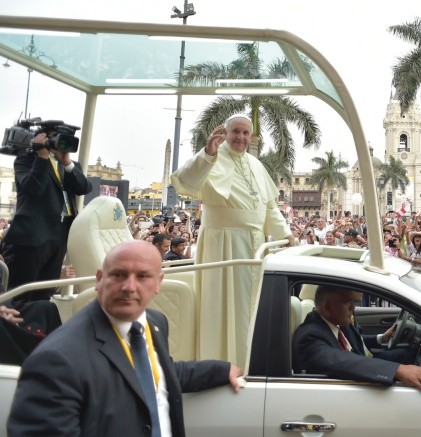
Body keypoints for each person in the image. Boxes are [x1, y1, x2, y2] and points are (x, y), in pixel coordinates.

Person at [7, 241, 242, 436]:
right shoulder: (56, 361)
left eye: (142, 276)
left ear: (158, 283)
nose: (129, 287)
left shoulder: (154, 323)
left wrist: (221, 371)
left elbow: (160, 373)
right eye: (119, 275)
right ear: (99, 279)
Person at [171, 114, 295, 367]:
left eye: (245, 133)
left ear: (251, 137)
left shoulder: (256, 164)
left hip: (255, 246)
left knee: (250, 310)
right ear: (225, 133)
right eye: (235, 131)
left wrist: (286, 235)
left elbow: (269, 208)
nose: (240, 137)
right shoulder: (211, 157)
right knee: (222, 308)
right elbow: (185, 181)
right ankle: (220, 365)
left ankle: (248, 364)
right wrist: (207, 153)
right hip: (223, 245)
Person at [291, 285, 421, 396]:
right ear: (327, 307)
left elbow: (356, 343)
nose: (353, 308)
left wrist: (382, 338)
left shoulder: (335, 322)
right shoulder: (309, 337)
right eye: (348, 302)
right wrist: (397, 370)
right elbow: (341, 360)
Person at [0, 132, 91, 302]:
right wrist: (42, 158)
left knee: (45, 291)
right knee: (20, 293)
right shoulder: (26, 160)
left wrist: (67, 162)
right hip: (31, 238)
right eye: (56, 138)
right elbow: (34, 188)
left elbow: (84, 188)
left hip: (59, 237)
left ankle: (39, 319)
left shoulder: (69, 165)